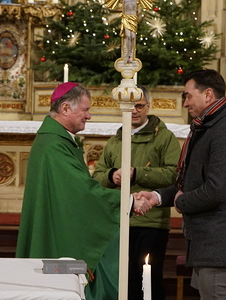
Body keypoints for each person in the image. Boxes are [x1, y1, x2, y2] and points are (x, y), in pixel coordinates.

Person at [15, 82, 152, 300]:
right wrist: (129, 201)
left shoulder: (57, 140)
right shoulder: (53, 145)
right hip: (59, 235)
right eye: (85, 110)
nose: (89, 116)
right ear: (66, 109)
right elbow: (81, 193)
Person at [136, 69, 226, 300]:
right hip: (207, 245)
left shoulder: (223, 128)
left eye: (188, 96)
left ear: (207, 95)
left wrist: (182, 201)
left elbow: (217, 189)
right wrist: (157, 197)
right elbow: (191, 181)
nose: (185, 103)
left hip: (219, 248)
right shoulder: (209, 124)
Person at [92, 85, 181, 300]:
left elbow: (175, 175)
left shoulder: (165, 138)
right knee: (121, 279)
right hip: (119, 221)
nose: (134, 111)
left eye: (139, 106)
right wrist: (113, 175)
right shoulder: (115, 141)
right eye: (130, 106)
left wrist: (137, 173)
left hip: (150, 222)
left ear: (148, 107)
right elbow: (97, 177)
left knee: (148, 280)